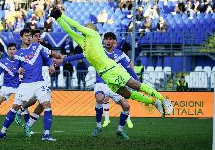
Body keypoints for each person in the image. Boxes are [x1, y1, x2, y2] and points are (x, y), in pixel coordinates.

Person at [50, 8, 173, 139]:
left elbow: (76, 26)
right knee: (127, 94)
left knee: (135, 85)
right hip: (105, 76)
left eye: (87, 27)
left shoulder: (94, 35)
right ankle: (154, 103)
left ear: (91, 29)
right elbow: (69, 30)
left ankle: (163, 100)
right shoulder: (83, 42)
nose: (84, 29)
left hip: (111, 69)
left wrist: (62, 15)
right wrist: (58, 19)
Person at [0, 29, 56, 141]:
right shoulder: (17, 54)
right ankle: (2, 132)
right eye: (26, 36)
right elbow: (15, 68)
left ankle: (46, 134)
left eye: (30, 36)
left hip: (39, 82)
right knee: (14, 107)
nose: (29, 37)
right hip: (25, 84)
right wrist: (18, 70)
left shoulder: (37, 47)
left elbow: (47, 58)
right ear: (21, 37)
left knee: (47, 105)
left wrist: (51, 65)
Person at [0, 43, 29, 133]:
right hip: (6, 86)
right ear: (7, 51)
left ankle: (28, 128)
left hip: (18, 86)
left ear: (16, 51)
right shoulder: (3, 61)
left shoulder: (20, 60)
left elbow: (26, 70)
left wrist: (21, 72)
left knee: (24, 106)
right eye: (10, 49)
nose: (12, 51)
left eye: (14, 49)